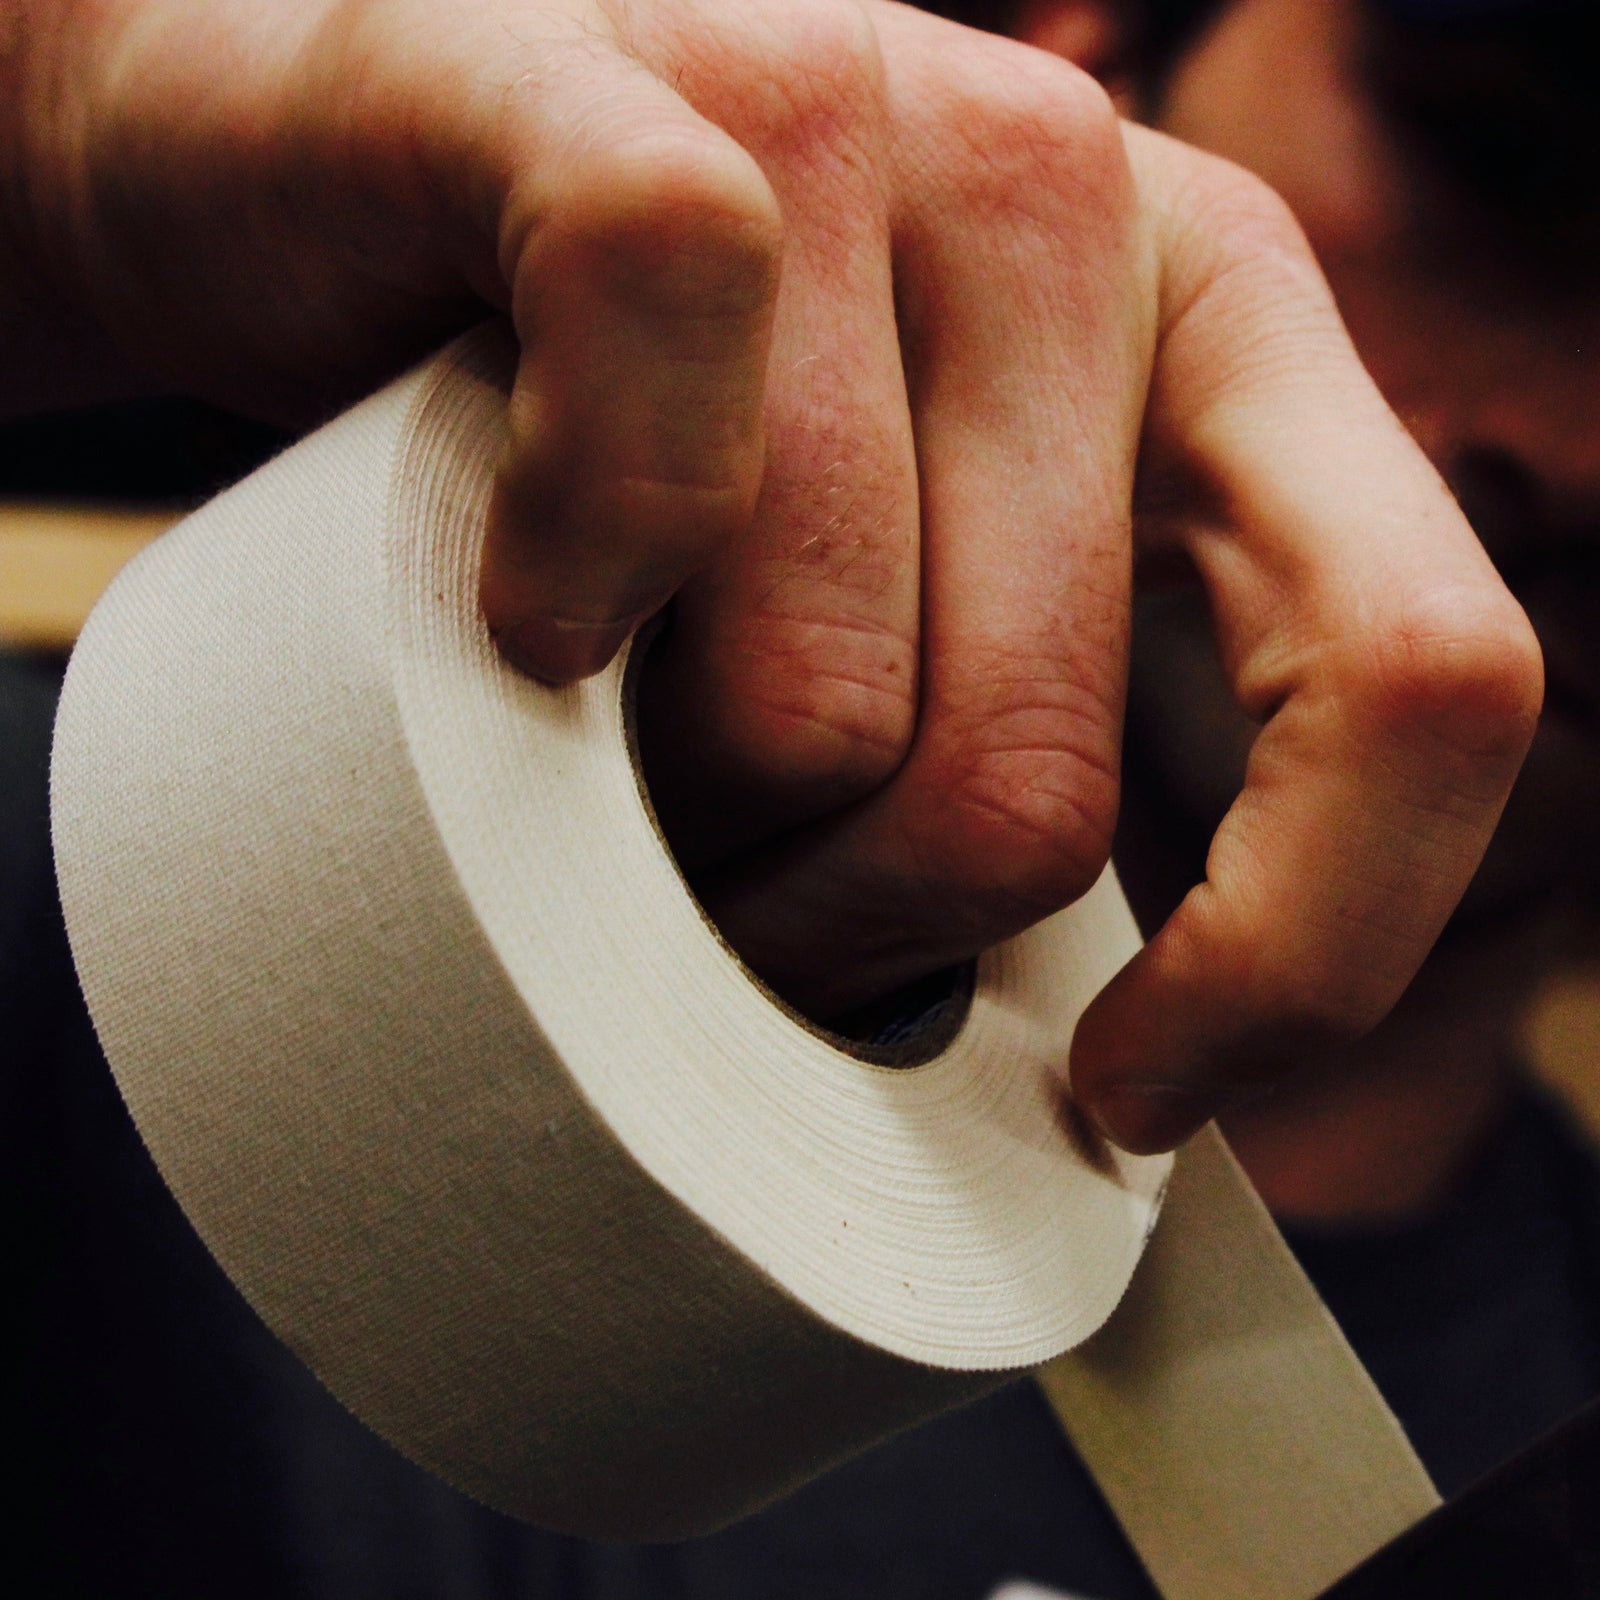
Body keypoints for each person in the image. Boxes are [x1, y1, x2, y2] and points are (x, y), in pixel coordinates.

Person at [0, 0, 1587, 1595]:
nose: (1574, 448)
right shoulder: (108, 875)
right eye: (1492, 166)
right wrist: (50, 135)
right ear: (1082, 43)